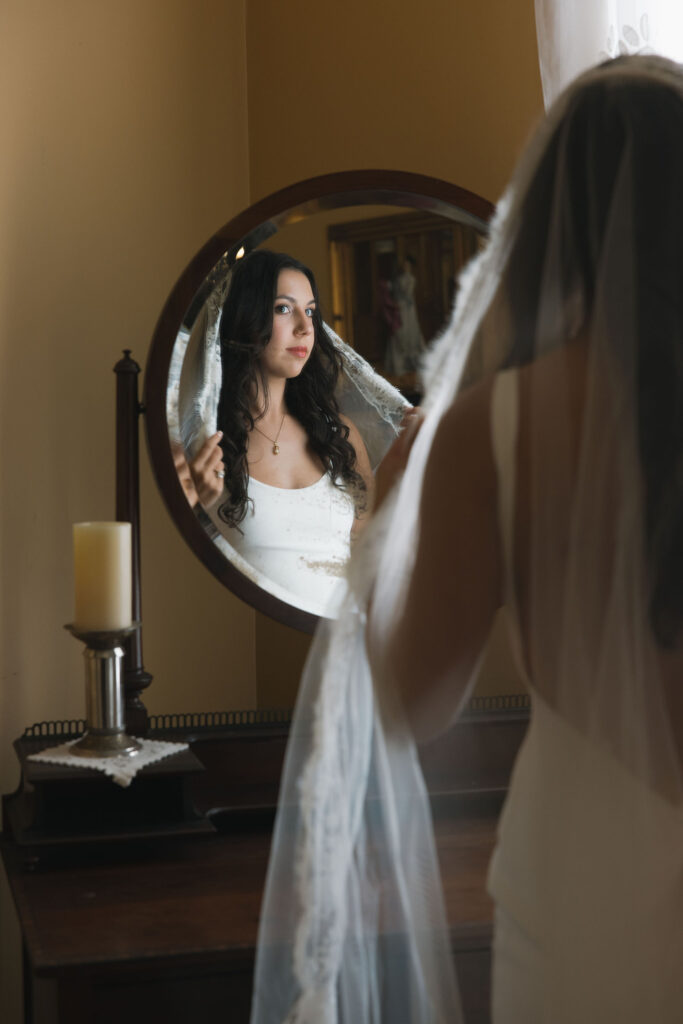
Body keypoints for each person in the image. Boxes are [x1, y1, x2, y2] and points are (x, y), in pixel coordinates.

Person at [250, 55, 683, 1023]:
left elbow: (411, 701)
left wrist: (382, 533)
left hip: (580, 878)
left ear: (544, 231)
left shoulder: (493, 427)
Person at [187, 249, 380, 614]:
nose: (305, 327)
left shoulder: (340, 436)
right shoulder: (206, 445)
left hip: (340, 647)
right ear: (247, 316)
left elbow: (368, 557)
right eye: (283, 308)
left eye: (309, 311)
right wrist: (194, 501)